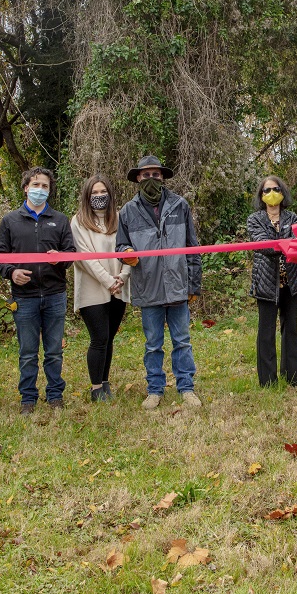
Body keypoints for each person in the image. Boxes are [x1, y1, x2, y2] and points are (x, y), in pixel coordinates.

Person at [116, 155, 203, 410]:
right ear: (138, 179)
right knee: (153, 344)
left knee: (182, 340)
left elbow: (192, 247)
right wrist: (127, 253)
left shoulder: (180, 205)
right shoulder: (127, 212)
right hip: (148, 285)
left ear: (162, 177)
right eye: (146, 175)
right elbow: (120, 246)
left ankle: (186, 387)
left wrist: (193, 285)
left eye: (155, 175)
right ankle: (154, 389)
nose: (151, 179)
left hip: (177, 285)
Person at [0, 167, 75, 413]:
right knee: (28, 352)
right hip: (24, 297)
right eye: (36, 185)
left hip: (54, 295)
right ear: (26, 188)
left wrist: (59, 259)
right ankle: (27, 399)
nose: (40, 190)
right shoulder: (10, 221)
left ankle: (55, 396)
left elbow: (71, 255)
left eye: (45, 186)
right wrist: (11, 272)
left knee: (53, 351)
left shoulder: (60, 220)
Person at [71, 174, 130, 403]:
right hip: (92, 289)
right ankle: (96, 389)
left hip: (119, 287)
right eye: (94, 193)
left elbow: (129, 251)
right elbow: (85, 258)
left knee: (110, 338)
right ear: (87, 195)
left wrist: (123, 276)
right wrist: (108, 281)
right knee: (99, 338)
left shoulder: (119, 218)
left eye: (102, 192)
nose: (99, 196)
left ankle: (105, 383)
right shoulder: (78, 221)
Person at [246, 175, 297, 387]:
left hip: (291, 281)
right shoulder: (255, 220)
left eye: (275, 188)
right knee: (266, 332)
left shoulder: (294, 218)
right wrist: (287, 242)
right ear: (261, 196)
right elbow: (262, 244)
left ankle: (291, 378)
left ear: (283, 192)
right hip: (265, 282)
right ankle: (268, 381)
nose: (271, 193)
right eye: (266, 190)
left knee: (290, 330)